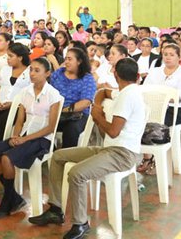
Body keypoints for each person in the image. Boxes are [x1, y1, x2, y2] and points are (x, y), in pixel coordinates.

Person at [29, 58, 145, 239]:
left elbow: (113, 132)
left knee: (77, 174)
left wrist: (98, 116)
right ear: (138, 76)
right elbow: (102, 92)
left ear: (115, 75)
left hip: (122, 154)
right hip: (109, 149)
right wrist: (98, 105)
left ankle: (81, 223)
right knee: (58, 156)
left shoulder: (128, 95)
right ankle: (55, 208)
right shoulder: (125, 91)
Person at [0, 57, 61, 218]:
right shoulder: (25, 92)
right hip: (24, 135)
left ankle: (8, 200)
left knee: (7, 158)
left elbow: (50, 127)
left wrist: (24, 140)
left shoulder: (53, 94)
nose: (32, 74)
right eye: (31, 70)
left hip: (42, 139)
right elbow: (20, 120)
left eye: (37, 70)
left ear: (47, 73)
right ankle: (13, 196)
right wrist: (16, 135)